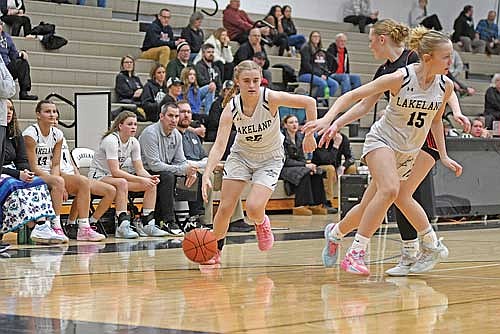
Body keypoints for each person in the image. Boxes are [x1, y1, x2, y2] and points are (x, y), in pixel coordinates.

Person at [306, 19, 470, 276]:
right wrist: (331, 120)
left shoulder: (444, 85)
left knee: (373, 203)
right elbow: (355, 98)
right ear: (428, 57)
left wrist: (445, 155)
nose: (452, 62)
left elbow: (436, 120)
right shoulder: (398, 76)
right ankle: (360, 252)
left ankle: (336, 233)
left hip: (409, 148)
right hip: (382, 141)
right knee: (393, 191)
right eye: (447, 57)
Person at [199, 60, 318, 267]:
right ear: (238, 82)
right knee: (225, 208)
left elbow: (310, 102)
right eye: (247, 81)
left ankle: (261, 222)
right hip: (241, 156)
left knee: (254, 208)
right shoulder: (231, 108)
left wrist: (309, 135)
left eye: (256, 80)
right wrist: (207, 173)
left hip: (270, 158)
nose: (252, 85)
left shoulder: (270, 98)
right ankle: (215, 251)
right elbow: (219, 145)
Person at [24, 100, 99, 244]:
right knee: (58, 181)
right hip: (34, 175)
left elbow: (56, 163)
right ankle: (56, 226)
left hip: (53, 173)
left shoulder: (58, 134)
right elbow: (33, 166)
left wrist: (57, 179)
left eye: (54, 111)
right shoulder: (31, 134)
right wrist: (56, 181)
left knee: (83, 181)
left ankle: (84, 228)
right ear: (38, 115)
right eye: (47, 111)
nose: (52, 114)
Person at [88, 111, 163, 239]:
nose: (133, 127)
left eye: (135, 124)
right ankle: (122, 225)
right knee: (122, 182)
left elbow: (139, 169)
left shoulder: (134, 142)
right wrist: (140, 179)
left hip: (114, 178)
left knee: (151, 185)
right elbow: (115, 171)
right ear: (120, 126)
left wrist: (149, 178)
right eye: (130, 124)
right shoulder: (111, 140)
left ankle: (148, 223)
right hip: (98, 176)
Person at [1, 99, 55, 245]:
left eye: (11, 109)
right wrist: (18, 175)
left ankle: (42, 225)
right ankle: (27, 222)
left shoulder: (15, 132)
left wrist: (26, 172)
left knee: (38, 182)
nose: (9, 112)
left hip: (13, 171)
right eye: (6, 108)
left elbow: (22, 160)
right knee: (12, 184)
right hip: (3, 173)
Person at [54, 111, 115, 241]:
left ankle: (92, 222)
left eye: (57, 118)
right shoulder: (47, 140)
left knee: (110, 190)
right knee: (82, 184)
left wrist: (76, 173)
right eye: (52, 117)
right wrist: (60, 184)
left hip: (71, 175)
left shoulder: (61, 137)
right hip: (59, 176)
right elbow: (52, 165)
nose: (55, 121)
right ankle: (71, 224)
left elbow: (70, 161)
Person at [139, 103, 195, 237]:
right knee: (168, 176)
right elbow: (154, 165)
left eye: (176, 116)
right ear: (161, 116)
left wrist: (188, 170)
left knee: (193, 173)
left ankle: (193, 218)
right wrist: (181, 169)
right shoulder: (150, 133)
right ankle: (168, 221)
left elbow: (181, 161)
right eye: (170, 116)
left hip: (164, 171)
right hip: (143, 172)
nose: (174, 119)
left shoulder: (177, 135)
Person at [280, 114, 328, 216]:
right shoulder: (281, 139)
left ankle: (317, 204)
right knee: (304, 172)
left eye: (296, 122)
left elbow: (302, 157)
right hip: (284, 167)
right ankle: (300, 205)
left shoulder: (300, 137)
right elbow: (284, 160)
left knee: (316, 171)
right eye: (291, 122)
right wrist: (305, 165)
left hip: (298, 165)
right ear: (285, 125)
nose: (294, 125)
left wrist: (307, 164)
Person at [0, 21, 37, 100]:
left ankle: (24, 92)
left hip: (6, 69)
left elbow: (14, 55)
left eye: (0, 24)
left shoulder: (6, 37)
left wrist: (21, 53)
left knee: (22, 63)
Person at [298, 31, 339, 101]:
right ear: (310, 38)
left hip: (318, 75)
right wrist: (320, 75)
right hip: (306, 74)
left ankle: (325, 101)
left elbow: (325, 65)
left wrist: (325, 74)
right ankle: (315, 100)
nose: (316, 38)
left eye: (318, 36)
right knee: (323, 83)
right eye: (314, 36)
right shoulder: (306, 48)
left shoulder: (321, 51)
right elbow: (306, 65)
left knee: (334, 84)